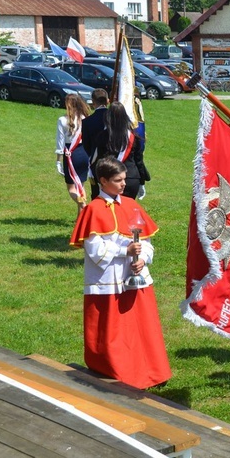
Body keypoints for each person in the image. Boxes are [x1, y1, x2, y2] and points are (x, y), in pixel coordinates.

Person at [69, 156, 171, 389]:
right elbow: (95, 250)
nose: (124, 184)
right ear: (103, 181)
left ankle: (152, 371)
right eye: (118, 180)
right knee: (114, 330)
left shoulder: (131, 205)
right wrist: (125, 250)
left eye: (124, 179)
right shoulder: (93, 210)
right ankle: (119, 373)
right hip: (108, 281)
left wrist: (142, 258)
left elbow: (146, 242)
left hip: (135, 278)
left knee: (142, 327)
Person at [90, 102, 150, 200]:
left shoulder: (102, 136)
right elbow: (139, 161)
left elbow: (98, 160)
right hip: (131, 178)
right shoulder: (134, 137)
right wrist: (142, 182)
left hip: (111, 179)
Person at [55, 94, 92, 214]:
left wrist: (58, 161)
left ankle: (83, 205)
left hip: (71, 154)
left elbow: (60, 143)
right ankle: (80, 218)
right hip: (84, 152)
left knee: (71, 187)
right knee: (80, 185)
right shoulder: (85, 118)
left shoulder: (62, 120)